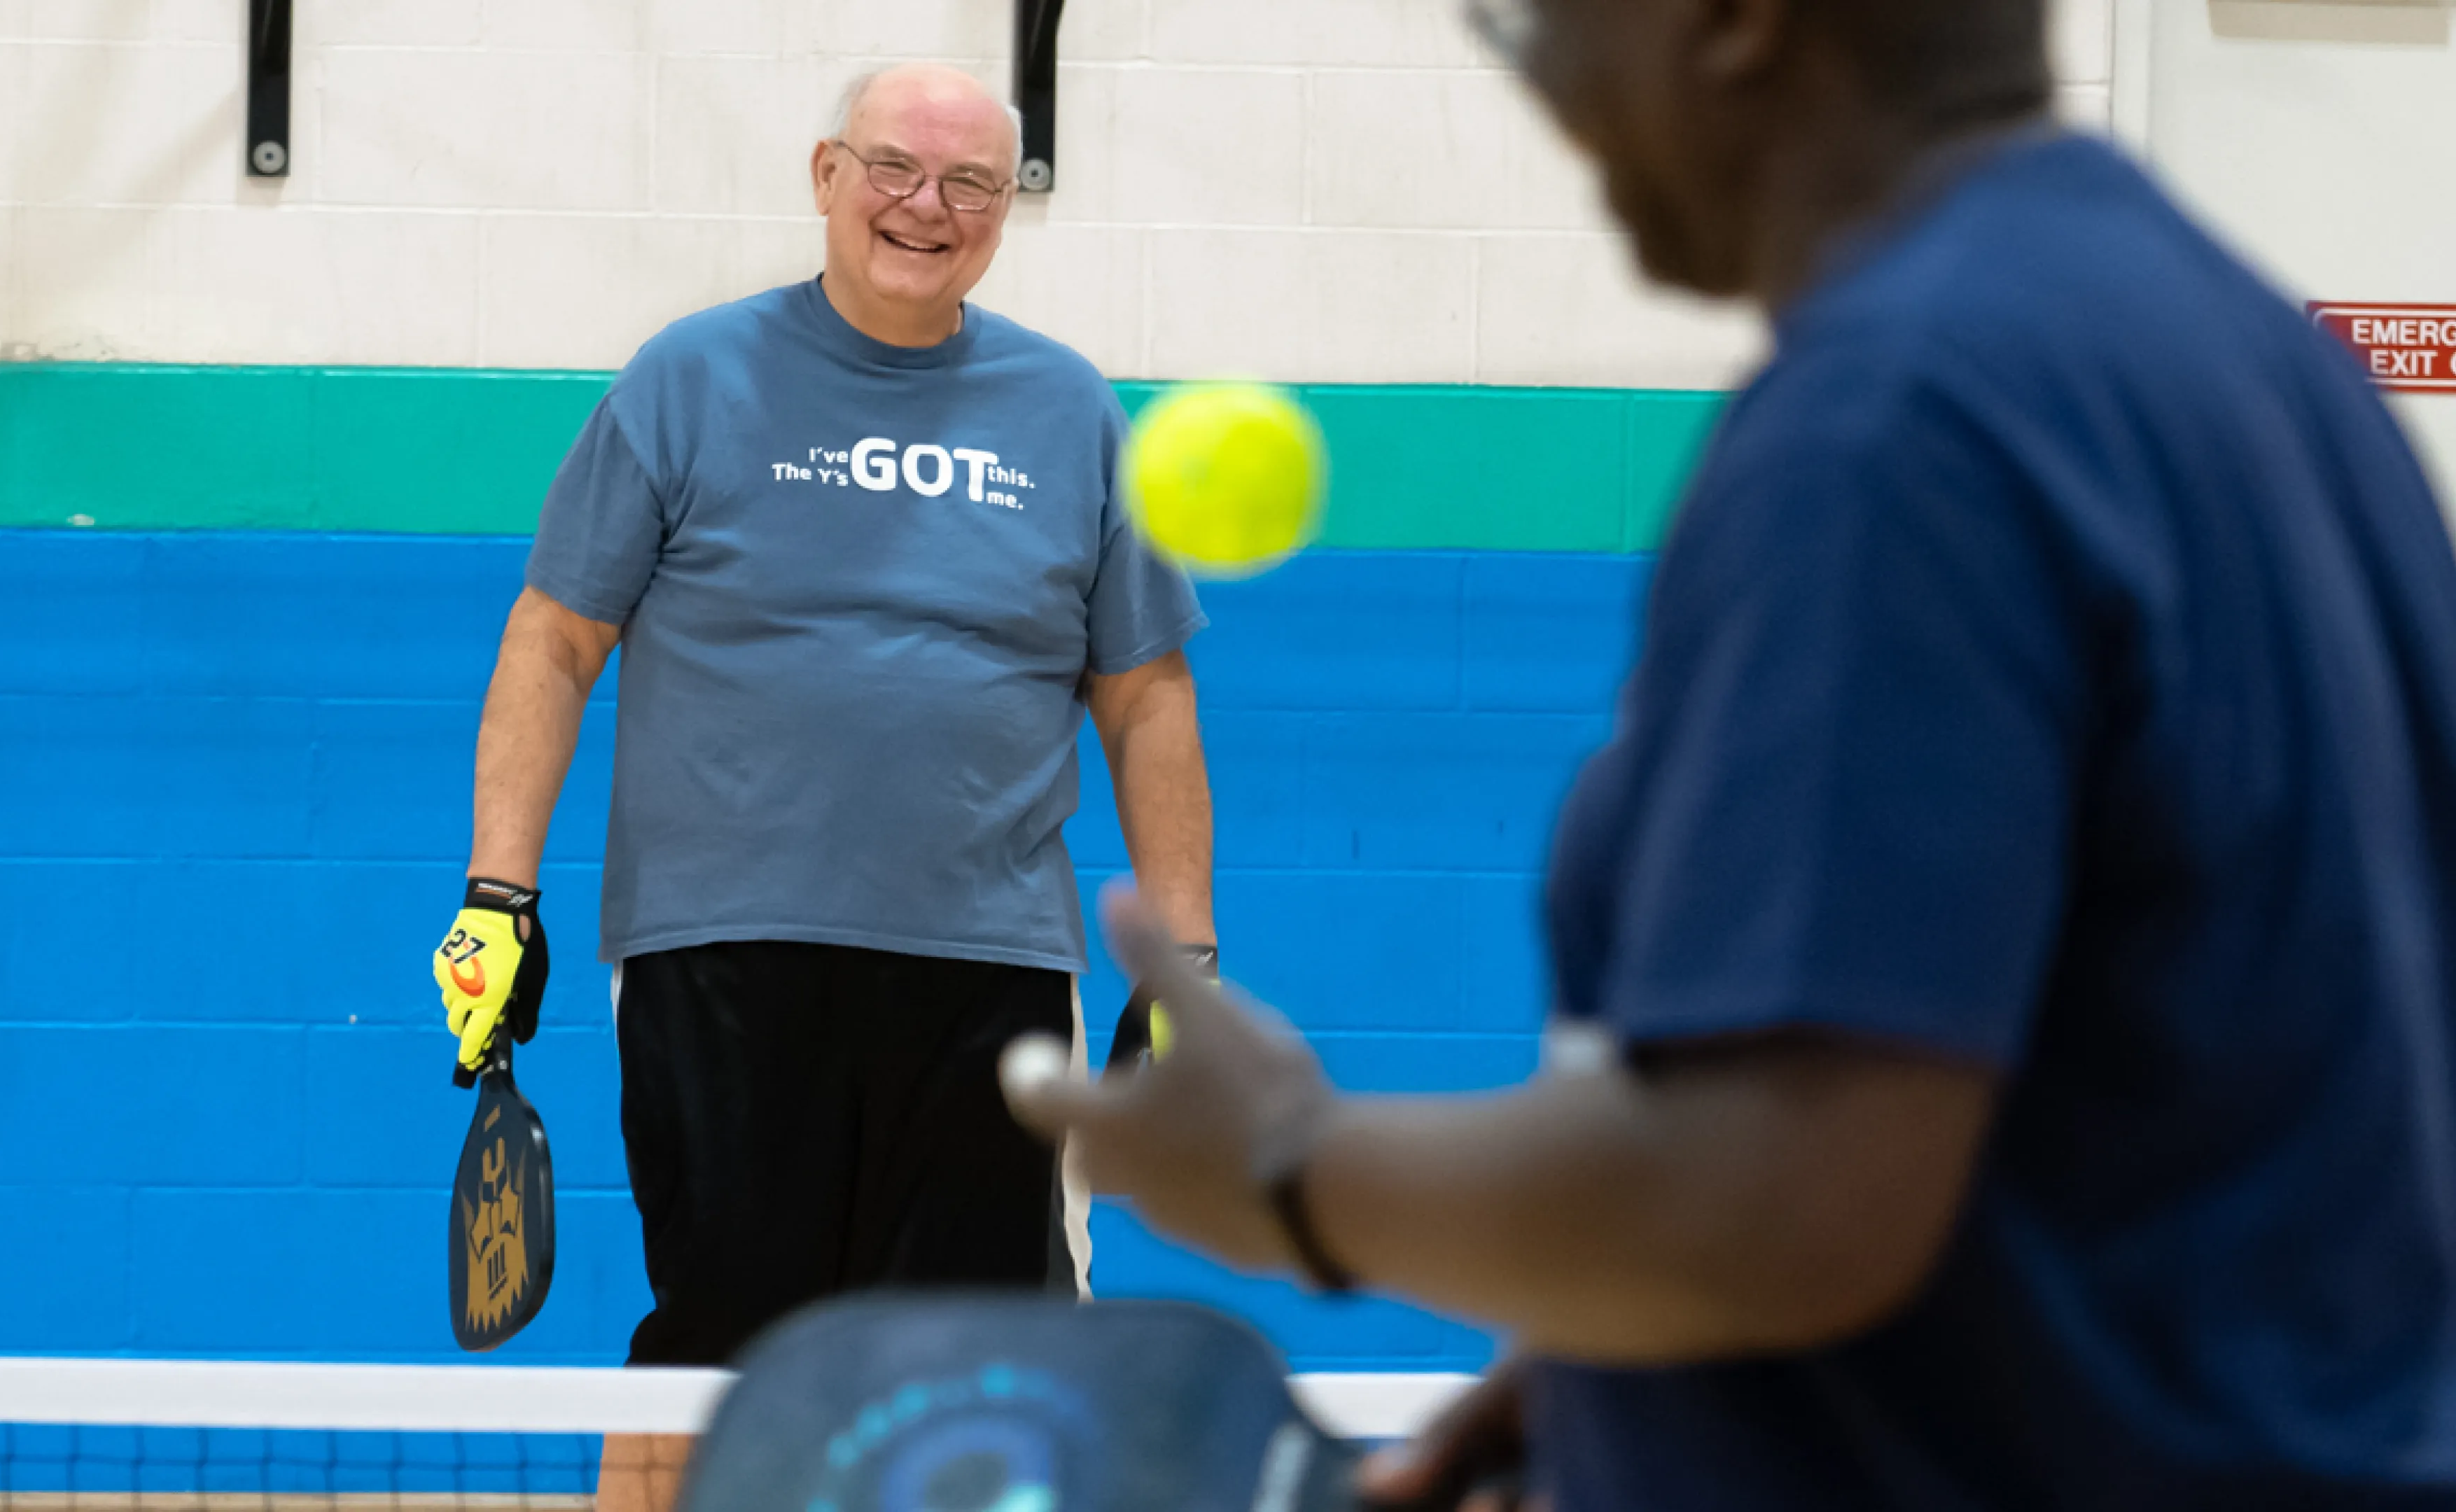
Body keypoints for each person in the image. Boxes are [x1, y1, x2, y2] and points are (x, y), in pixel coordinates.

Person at [1006, 0, 2456, 1506]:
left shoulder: (1902, 420)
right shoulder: (2268, 370)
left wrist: (1293, 1166)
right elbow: (2142, 1070)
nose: (1549, 90)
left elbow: (1793, 1199)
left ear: (1735, 24)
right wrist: (1602, 1365)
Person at [432, 62, 1215, 1510]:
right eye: (896, 168)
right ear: (825, 174)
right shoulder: (688, 377)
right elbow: (555, 637)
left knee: (986, 1368)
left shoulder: (1073, 411)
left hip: (990, 968)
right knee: (716, 1353)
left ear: (1007, 209)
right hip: (723, 949)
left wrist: (1187, 962)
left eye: (972, 183)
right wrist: (498, 893)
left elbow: (1147, 693)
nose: (928, 206)